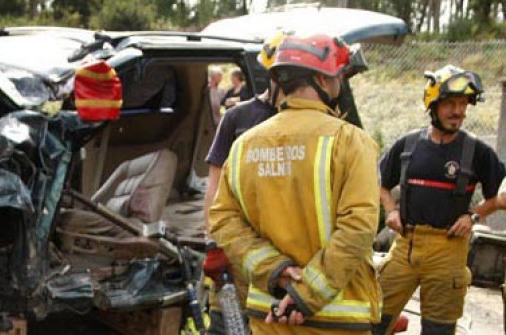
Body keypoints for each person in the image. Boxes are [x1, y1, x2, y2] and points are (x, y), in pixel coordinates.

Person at [209, 33, 381, 334]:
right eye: (339, 76)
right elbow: (359, 228)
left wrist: (275, 272)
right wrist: (305, 294)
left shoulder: (245, 145)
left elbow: (222, 220)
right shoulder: (352, 142)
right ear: (322, 80)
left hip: (269, 316)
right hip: (335, 320)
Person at [374, 65, 505, 334]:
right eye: (450, 104)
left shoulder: (477, 150)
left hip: (449, 251)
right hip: (405, 247)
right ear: (432, 105)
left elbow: (499, 197)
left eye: (463, 104)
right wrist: (390, 210)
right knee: (371, 321)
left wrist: (473, 216)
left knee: (438, 330)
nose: (458, 112)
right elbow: (381, 185)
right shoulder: (408, 144)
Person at [201, 32, 286, 335]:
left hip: (285, 257)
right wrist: (212, 243)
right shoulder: (239, 117)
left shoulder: (311, 124)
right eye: (284, 72)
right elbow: (215, 184)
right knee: (226, 325)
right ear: (271, 72)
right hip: (236, 247)